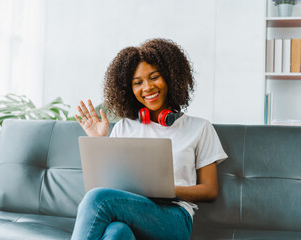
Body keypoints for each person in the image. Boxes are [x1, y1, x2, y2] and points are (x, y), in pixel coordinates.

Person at [72, 38, 228, 240]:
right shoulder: (124, 127)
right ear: (129, 90)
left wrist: (168, 190)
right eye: (138, 83)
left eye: (154, 77)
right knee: (117, 233)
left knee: (97, 199)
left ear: (171, 78)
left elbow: (210, 191)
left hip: (174, 217)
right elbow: (108, 185)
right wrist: (100, 141)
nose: (147, 88)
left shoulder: (200, 128)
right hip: (130, 211)